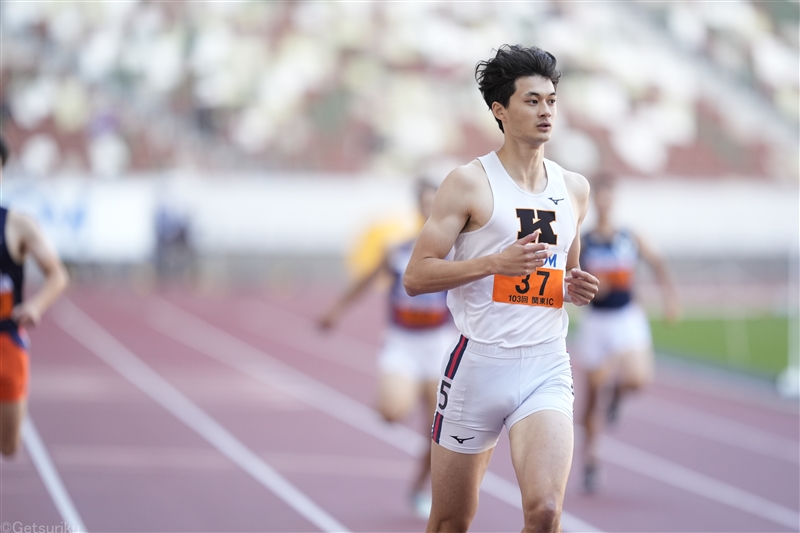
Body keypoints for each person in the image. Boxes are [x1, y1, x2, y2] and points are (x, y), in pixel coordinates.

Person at [403, 45, 599, 532]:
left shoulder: (574, 189)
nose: (546, 111)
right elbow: (416, 275)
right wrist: (495, 263)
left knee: (546, 511)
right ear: (500, 110)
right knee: (450, 521)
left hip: (546, 363)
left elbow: (563, 274)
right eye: (532, 101)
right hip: (479, 365)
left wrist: (576, 285)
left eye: (551, 100)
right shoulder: (469, 183)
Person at [318, 178, 457, 519]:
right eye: (424, 203)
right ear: (417, 207)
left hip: (438, 345)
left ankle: (418, 489)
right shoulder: (397, 251)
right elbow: (363, 283)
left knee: (439, 432)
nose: (429, 210)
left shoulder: (455, 253)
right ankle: (396, 396)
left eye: (434, 204)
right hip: (402, 342)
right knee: (392, 412)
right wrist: (335, 311)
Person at [576, 174, 679, 493]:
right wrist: (593, 287)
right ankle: (591, 461)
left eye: (610, 195)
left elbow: (658, 263)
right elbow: (569, 279)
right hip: (597, 322)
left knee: (637, 378)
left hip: (626, 317)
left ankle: (618, 395)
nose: (605, 201)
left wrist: (670, 298)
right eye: (600, 196)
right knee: (591, 396)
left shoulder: (629, 236)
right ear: (594, 201)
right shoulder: (583, 240)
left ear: (615, 199)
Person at [0, 135, 70, 457]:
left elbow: (58, 274)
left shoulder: (17, 225)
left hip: (6, 341)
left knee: (9, 446)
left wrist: (36, 306)